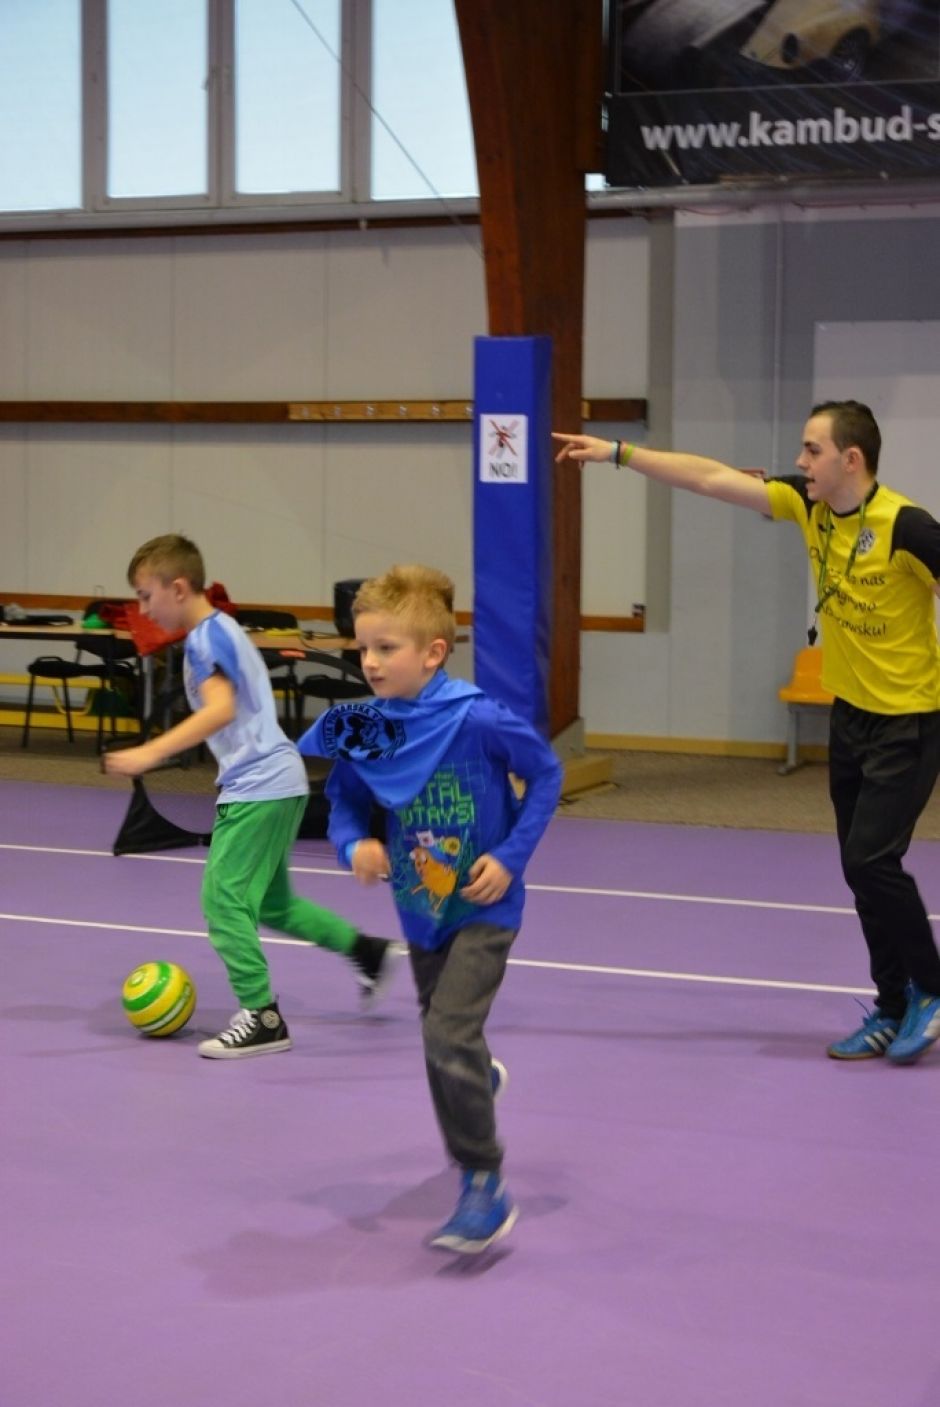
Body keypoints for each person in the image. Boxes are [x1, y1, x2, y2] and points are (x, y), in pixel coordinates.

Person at [554, 401, 940, 1065]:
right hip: (851, 717)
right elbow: (708, 478)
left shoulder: (907, 526)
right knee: (859, 871)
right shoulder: (809, 506)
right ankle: (892, 1003)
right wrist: (620, 453)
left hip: (908, 721)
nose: (799, 461)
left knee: (872, 860)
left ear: (851, 459)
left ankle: (930, 988)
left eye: (812, 449)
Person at [298, 564, 562, 1253]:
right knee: (443, 1043)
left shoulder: (477, 717)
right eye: (363, 647)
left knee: (447, 1035)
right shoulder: (366, 727)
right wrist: (353, 843)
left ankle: (484, 1182)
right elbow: (345, 801)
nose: (370, 662)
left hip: (485, 906)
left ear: (433, 652)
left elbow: (546, 774)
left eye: (386, 648)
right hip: (420, 913)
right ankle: (478, 1075)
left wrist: (510, 857)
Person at [104, 533, 398, 1059]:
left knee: (223, 901)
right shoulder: (221, 629)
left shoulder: (204, 640)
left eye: (146, 596)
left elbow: (219, 710)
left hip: (258, 786)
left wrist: (149, 753)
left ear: (177, 588)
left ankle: (262, 1018)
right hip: (278, 781)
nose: (143, 609)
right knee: (271, 903)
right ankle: (366, 951)